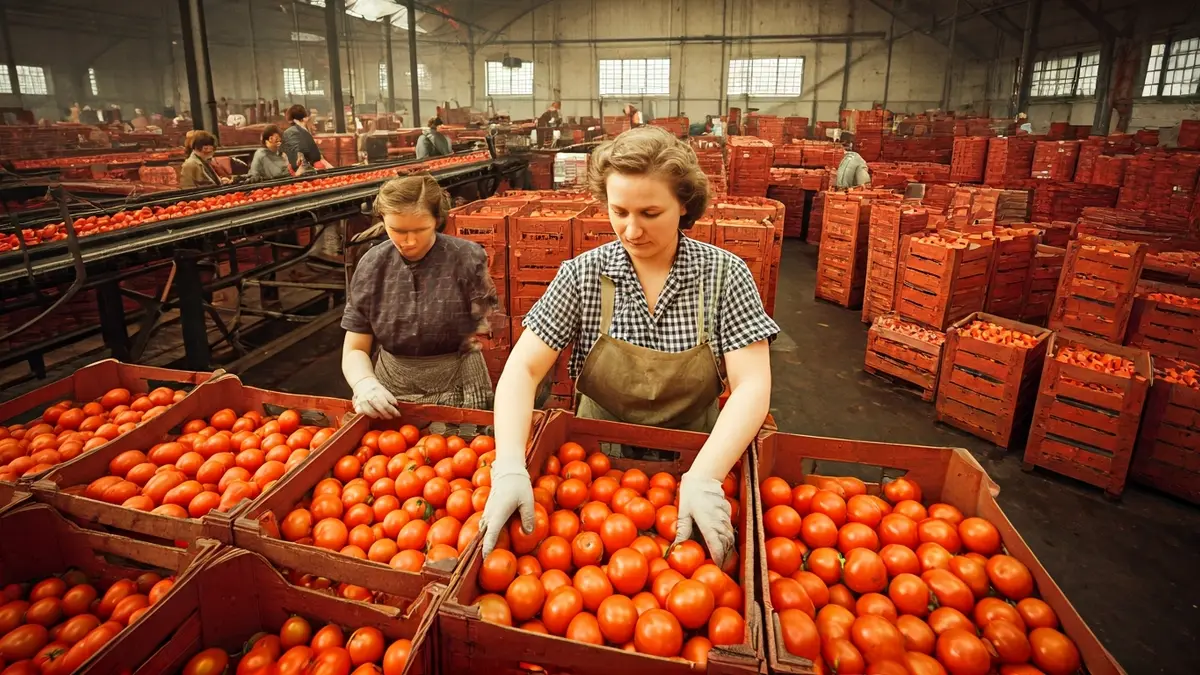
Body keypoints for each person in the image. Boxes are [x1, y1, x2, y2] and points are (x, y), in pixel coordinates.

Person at [479, 126, 778, 565]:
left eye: (651, 213)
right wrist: (507, 464)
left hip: (696, 452)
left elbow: (752, 383)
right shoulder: (583, 274)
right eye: (618, 211)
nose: (632, 230)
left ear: (684, 206)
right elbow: (523, 370)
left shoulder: (724, 275)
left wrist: (707, 476)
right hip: (594, 465)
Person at [341, 175, 499, 416]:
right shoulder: (372, 265)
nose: (410, 241)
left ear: (437, 220)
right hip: (393, 388)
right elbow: (355, 348)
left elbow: (487, 328)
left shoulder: (466, 257)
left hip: (460, 381)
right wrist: (364, 383)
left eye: (421, 229)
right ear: (382, 220)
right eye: (397, 230)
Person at [281, 104, 324, 171]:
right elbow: (297, 153)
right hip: (303, 172)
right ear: (305, 118)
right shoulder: (292, 131)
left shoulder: (303, 130)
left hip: (312, 170)